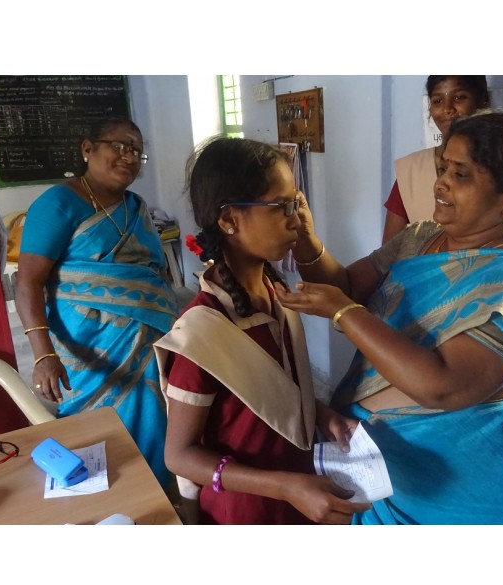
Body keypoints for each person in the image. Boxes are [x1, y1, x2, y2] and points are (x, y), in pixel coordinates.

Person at [276, 111, 503, 524]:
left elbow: (441, 387)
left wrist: (345, 313)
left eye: (461, 174)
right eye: (443, 168)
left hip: (453, 489)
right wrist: (307, 241)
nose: (441, 183)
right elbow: (348, 285)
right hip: (378, 470)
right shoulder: (420, 239)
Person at [153, 137, 371, 525]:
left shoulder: (276, 297)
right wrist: (285, 486)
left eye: (296, 204)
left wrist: (321, 416)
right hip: (246, 512)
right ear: (229, 220)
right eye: (281, 207)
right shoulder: (201, 333)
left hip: (299, 495)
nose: (296, 220)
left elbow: (265, 398)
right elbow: (180, 455)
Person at [15, 116, 178, 490]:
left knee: (156, 419)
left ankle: (155, 495)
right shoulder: (58, 203)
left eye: (137, 152)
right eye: (119, 146)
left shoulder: (136, 207)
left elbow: (154, 271)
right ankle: (107, 500)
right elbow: (28, 281)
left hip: (149, 340)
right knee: (95, 432)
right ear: (87, 149)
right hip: (89, 345)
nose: (129, 157)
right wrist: (43, 354)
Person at [382, 75, 490, 243]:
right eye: (437, 101)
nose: (447, 109)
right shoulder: (412, 171)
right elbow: (389, 252)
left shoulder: (500, 164)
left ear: (482, 100)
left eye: (459, 97)